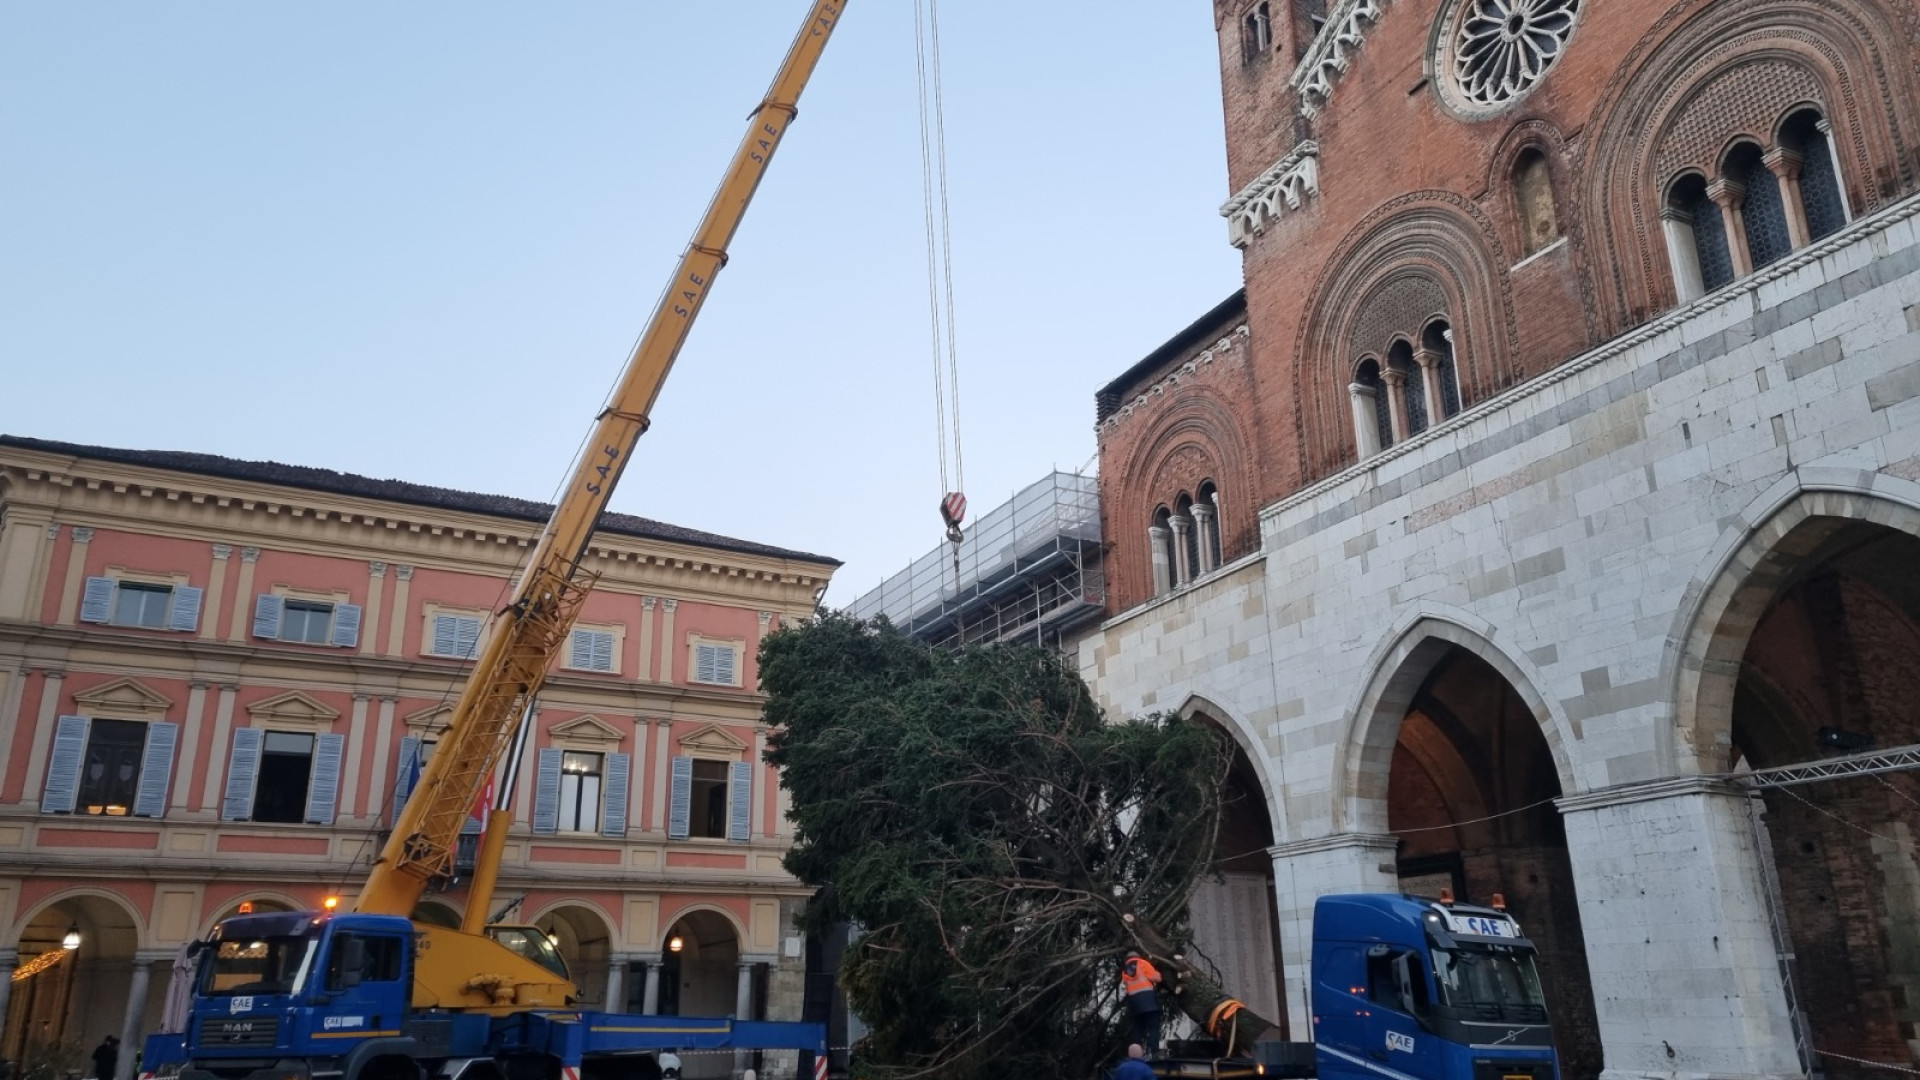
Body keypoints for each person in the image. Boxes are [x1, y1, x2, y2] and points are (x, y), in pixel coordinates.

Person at [1119, 950, 1163, 1053]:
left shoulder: (1124, 971)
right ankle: (1154, 1052)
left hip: (1135, 1004)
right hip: (1149, 1001)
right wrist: (1158, 973)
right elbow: (1157, 978)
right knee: (1153, 1028)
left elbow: (1126, 985)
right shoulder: (1143, 963)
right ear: (1137, 956)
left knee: (1137, 1030)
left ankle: (1136, 1053)